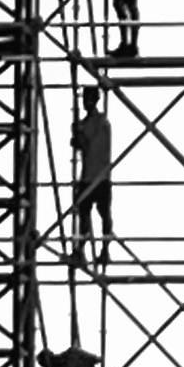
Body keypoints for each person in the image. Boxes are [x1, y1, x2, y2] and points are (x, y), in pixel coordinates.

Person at [71, 88, 113, 265]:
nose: (85, 103)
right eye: (84, 99)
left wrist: (78, 135)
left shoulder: (101, 122)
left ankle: (104, 250)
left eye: (88, 99)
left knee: (103, 214)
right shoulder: (88, 123)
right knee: (84, 214)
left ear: (94, 100)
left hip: (100, 176)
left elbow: (89, 146)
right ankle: (81, 250)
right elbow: (80, 144)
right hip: (88, 175)